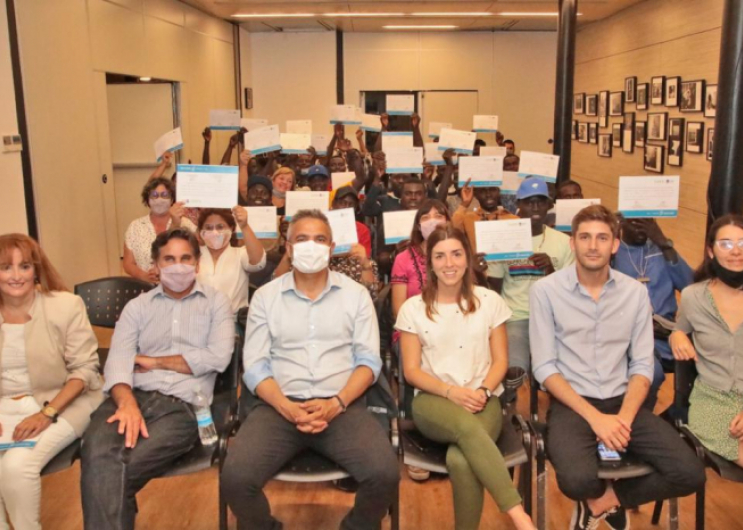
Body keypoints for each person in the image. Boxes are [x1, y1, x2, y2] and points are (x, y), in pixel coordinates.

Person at [530, 205, 705, 530]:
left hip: (625, 402)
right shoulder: (546, 291)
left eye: (601, 237)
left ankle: (606, 502)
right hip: (574, 405)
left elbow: (641, 364)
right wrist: (597, 420)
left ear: (614, 244)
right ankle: (596, 498)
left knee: (691, 472)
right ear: (573, 243)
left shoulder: (635, 293)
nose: (593, 245)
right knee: (575, 480)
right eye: (584, 237)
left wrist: (622, 419)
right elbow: (544, 367)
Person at [221, 210, 399, 530]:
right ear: (288, 248)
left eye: (319, 239)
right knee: (235, 478)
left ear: (331, 248)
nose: (310, 246)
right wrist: (286, 407)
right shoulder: (265, 297)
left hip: (342, 405)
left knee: (384, 474)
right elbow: (256, 365)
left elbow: (369, 361)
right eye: (301, 239)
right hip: (278, 406)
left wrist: (337, 403)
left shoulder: (356, 296)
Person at [81, 228, 234, 530]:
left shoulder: (216, 303)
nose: (178, 266)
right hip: (127, 399)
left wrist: (154, 361)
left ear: (197, 263)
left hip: (181, 409)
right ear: (156, 265)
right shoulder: (137, 307)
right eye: (169, 259)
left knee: (105, 470)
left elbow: (217, 358)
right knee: (98, 455)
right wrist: (126, 404)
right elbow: (119, 362)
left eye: (185, 258)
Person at [396, 226, 536, 530]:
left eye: (456, 254)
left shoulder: (489, 301)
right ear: (429, 261)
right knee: (464, 429)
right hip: (432, 402)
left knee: (461, 460)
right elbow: (411, 372)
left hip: (483, 398)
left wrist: (484, 390)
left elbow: (500, 361)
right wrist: (451, 392)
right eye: (440, 256)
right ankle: (519, 515)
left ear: (467, 257)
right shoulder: (413, 309)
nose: (449, 263)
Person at [0, 234, 103, 530]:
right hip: (7, 405)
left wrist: (46, 414)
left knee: (16, 466)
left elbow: (84, 371)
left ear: (36, 269)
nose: (16, 276)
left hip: (64, 401)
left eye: (24, 267)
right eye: (6, 267)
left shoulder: (65, 306)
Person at [670, 214, 743, 466]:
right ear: (711, 251)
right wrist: (677, 336)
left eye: (742, 243)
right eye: (726, 244)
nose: (736, 251)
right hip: (713, 402)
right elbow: (678, 329)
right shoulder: (694, 297)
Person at [488, 178, 574, 372]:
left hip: (554, 318)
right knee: (515, 369)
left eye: (540, 201)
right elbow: (494, 289)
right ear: (519, 205)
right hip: (515, 317)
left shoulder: (564, 242)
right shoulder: (503, 240)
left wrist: (551, 272)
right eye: (528, 202)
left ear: (549, 205)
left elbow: (571, 291)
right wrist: (479, 270)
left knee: (563, 369)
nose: (535, 207)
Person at [613, 217, 693, 410]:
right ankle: (640, 419)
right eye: (635, 222)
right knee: (652, 372)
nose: (642, 227)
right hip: (628, 336)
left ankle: (674, 416)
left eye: (647, 221)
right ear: (621, 223)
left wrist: (664, 244)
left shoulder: (662, 251)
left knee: (705, 367)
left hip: (666, 335)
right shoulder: (614, 253)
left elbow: (691, 287)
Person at [123, 177, 196, 284]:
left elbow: (197, 255)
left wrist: (176, 223)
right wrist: (144, 276)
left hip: (179, 287)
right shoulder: (135, 226)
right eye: (154, 195)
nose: (159, 199)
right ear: (147, 199)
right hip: (145, 289)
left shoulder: (186, 224)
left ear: (172, 199)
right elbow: (128, 264)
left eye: (165, 195)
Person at [197, 207, 266, 316]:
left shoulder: (240, 254)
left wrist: (244, 226)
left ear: (232, 228)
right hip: (198, 321)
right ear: (201, 232)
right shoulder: (192, 255)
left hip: (232, 323)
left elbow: (258, 263)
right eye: (208, 228)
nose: (215, 232)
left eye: (220, 227)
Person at [452, 179, 518, 269]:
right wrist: (465, 203)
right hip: (479, 274)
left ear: (499, 192)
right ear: (475, 194)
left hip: (507, 275)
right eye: (483, 191)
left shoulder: (513, 219)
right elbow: (453, 230)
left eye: (492, 189)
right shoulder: (468, 218)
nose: (488, 194)